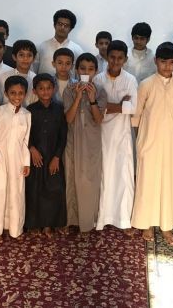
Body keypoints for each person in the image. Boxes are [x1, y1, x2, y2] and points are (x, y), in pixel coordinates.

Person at [131, 43, 173, 245]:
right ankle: (146, 223)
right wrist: (141, 142)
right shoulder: (145, 84)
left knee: (169, 183)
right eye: (163, 62)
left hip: (171, 142)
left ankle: (166, 227)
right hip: (149, 141)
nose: (167, 66)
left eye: (171, 62)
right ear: (156, 61)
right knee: (148, 181)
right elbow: (136, 115)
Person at [93, 40, 138, 232]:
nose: (115, 61)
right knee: (103, 175)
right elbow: (94, 107)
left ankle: (123, 219)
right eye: (112, 57)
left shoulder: (130, 80)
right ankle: (101, 217)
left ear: (125, 59)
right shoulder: (97, 79)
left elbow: (133, 108)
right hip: (101, 134)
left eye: (120, 58)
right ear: (106, 57)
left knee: (123, 176)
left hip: (121, 135)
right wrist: (120, 105)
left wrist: (108, 107)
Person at [63, 53, 107, 234]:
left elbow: (98, 119)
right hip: (73, 139)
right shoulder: (69, 89)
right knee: (71, 178)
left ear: (96, 71)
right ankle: (71, 220)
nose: (86, 73)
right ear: (76, 70)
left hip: (91, 142)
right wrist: (78, 97)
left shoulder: (100, 91)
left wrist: (92, 98)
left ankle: (88, 221)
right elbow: (68, 118)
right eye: (82, 69)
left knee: (90, 180)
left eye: (90, 69)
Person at [25, 73, 68, 238]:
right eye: (41, 89)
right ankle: (34, 224)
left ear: (54, 89)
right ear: (34, 91)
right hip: (35, 157)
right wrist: (32, 149)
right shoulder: (30, 110)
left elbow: (63, 135)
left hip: (53, 157)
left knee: (53, 189)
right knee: (34, 190)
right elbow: (25, 133)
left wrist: (57, 157)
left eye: (48, 88)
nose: (45, 92)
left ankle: (49, 224)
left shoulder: (59, 109)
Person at [0, 75, 31, 243]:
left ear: (25, 94)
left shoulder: (27, 114)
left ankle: (13, 227)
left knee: (16, 192)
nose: (17, 97)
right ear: (6, 93)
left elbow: (26, 141)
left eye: (21, 93)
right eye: (13, 93)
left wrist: (26, 162)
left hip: (18, 159)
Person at [34, 9, 83, 75]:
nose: (62, 27)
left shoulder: (77, 50)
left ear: (71, 29)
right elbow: (33, 71)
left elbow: (79, 73)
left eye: (66, 25)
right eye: (60, 24)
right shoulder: (41, 47)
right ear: (54, 25)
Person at [0, 39, 38, 106]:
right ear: (14, 57)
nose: (25, 58)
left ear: (34, 58)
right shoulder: (4, 77)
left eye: (29, 55)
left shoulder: (35, 79)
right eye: (21, 55)